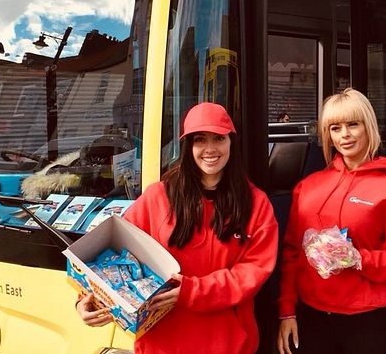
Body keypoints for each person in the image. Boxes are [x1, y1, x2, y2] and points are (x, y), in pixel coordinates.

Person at [76, 102, 278, 354]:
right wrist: (89, 300)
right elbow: (116, 257)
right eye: (199, 140)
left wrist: (193, 291)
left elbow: (253, 272)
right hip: (161, 343)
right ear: (187, 146)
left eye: (218, 138)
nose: (210, 149)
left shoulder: (255, 203)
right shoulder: (157, 197)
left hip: (228, 343)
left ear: (231, 143)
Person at [277, 88, 386, 354]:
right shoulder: (308, 186)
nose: (345, 135)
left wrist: (359, 258)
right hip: (313, 317)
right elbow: (292, 254)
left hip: (368, 321)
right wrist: (286, 313)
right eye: (335, 127)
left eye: (353, 124)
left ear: (369, 127)